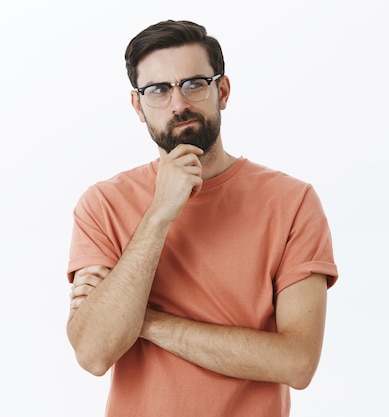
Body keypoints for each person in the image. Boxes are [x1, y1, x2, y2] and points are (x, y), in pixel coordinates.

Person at [66, 19, 338, 417]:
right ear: (138, 106)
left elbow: (297, 363)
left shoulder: (293, 201)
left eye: (194, 83)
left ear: (222, 91)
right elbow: (93, 353)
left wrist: (141, 321)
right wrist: (160, 212)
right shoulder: (102, 204)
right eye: (157, 90)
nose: (178, 104)